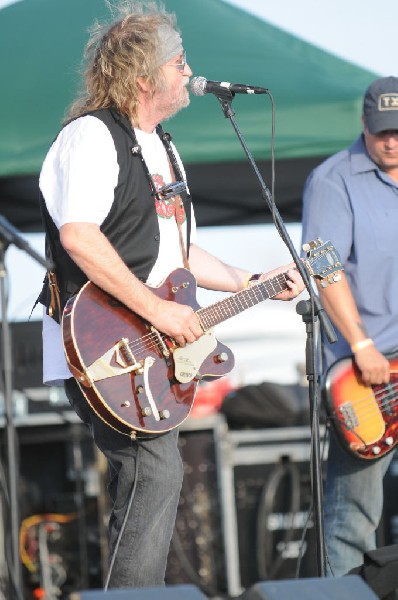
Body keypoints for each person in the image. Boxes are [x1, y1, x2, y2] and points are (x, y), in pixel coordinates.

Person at [38, 1, 304, 590]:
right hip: (103, 346)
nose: (190, 72)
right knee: (154, 472)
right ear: (143, 76)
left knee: (154, 476)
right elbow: (79, 237)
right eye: (179, 62)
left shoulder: (163, 145)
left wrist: (247, 282)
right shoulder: (90, 137)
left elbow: (176, 256)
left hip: (149, 344)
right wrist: (157, 309)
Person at [301, 76, 398, 577]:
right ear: (364, 125)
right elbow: (323, 265)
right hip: (367, 377)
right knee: (352, 517)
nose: (391, 140)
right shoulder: (333, 179)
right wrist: (360, 344)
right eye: (382, 131)